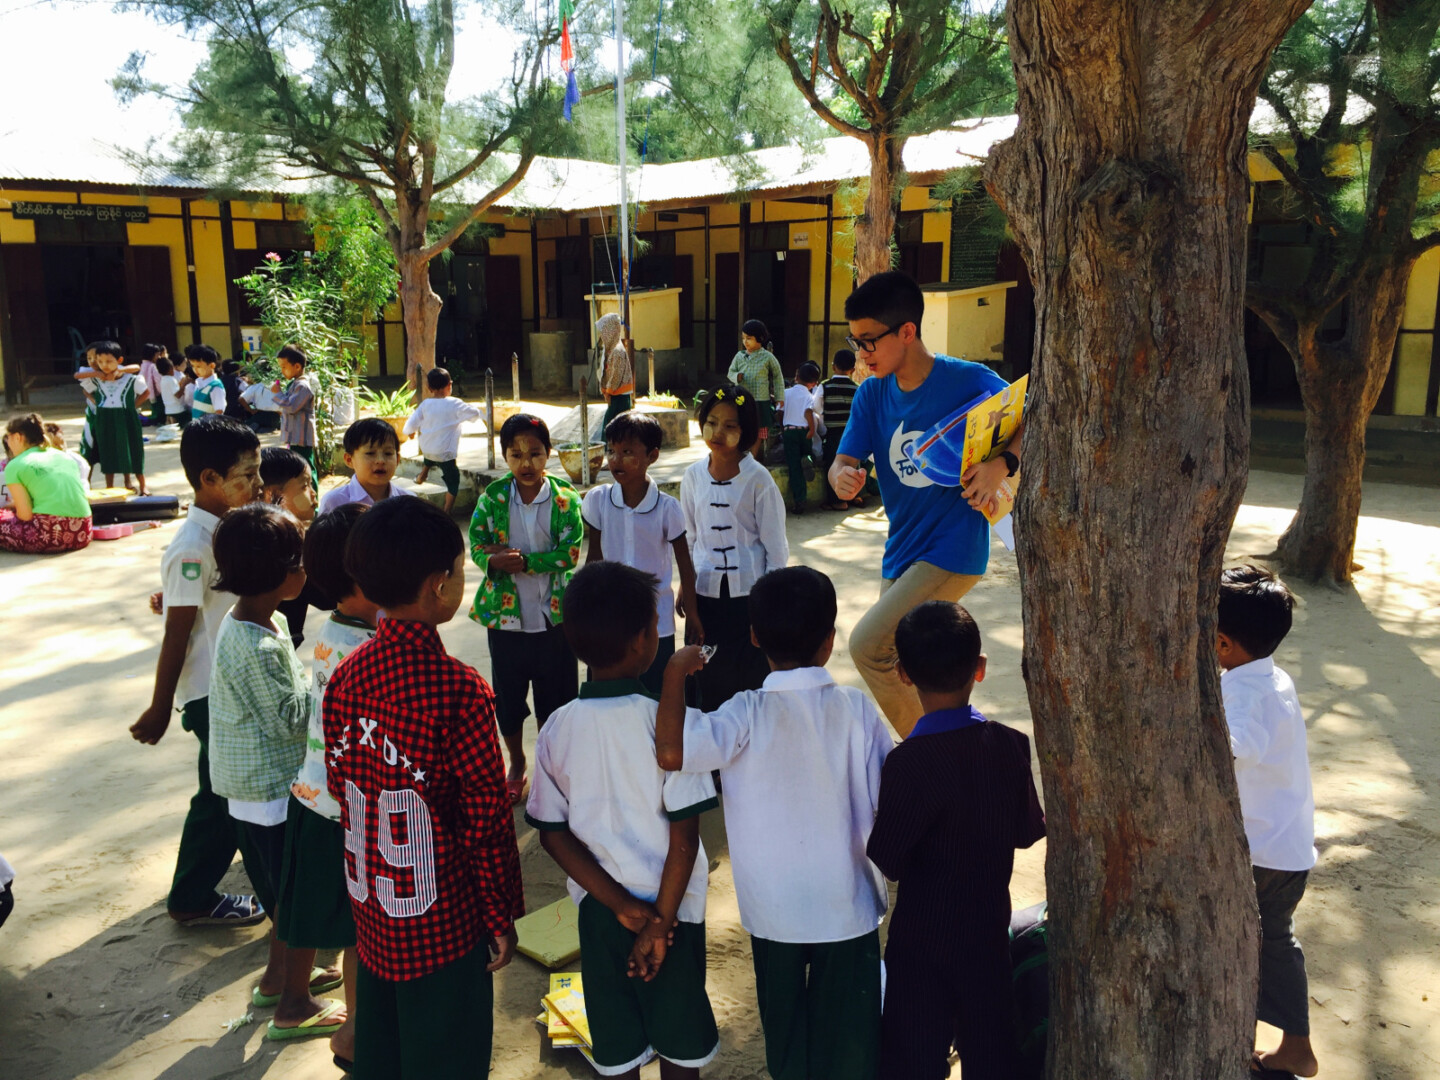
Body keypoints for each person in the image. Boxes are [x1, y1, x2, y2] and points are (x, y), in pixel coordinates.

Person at [656, 566, 891, 1080]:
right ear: (830, 641)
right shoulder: (857, 710)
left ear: (754, 635)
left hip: (773, 912)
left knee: (785, 1036)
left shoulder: (742, 714)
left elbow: (672, 752)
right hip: (846, 905)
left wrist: (674, 672)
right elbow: (887, 801)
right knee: (852, 1041)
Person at [324, 497, 524, 1080]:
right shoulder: (459, 692)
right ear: (440, 587)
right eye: (462, 570)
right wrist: (501, 914)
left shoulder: (347, 674)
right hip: (444, 926)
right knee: (447, 1057)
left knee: (384, 1050)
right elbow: (485, 821)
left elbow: (341, 784)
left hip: (374, 914)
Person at [527, 561, 720, 1079]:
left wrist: (621, 907)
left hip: (602, 912)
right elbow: (684, 837)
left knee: (616, 1043)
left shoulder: (557, 730)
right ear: (644, 640)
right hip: (674, 911)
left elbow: (552, 836)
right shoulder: (672, 731)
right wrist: (658, 921)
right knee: (681, 1041)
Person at [827, 271, 1023, 736]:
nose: (862, 354)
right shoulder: (871, 394)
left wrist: (1003, 465)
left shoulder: (969, 380)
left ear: (907, 332)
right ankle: (950, 752)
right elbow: (841, 462)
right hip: (901, 552)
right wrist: (841, 479)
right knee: (902, 667)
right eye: (855, 342)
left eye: (869, 342)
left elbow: (1033, 414)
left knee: (868, 647)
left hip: (953, 551)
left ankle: (932, 754)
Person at [866, 601, 1046, 1080]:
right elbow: (1028, 831)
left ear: (904, 674)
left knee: (911, 1060)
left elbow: (888, 859)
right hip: (986, 935)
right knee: (990, 1057)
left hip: (920, 942)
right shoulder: (1010, 743)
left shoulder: (907, 763)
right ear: (980, 668)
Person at [208, 502, 347, 1042]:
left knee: (285, 894)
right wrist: (325, 676)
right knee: (298, 901)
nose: (307, 571)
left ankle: (274, 980)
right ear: (283, 575)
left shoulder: (248, 618)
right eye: (300, 561)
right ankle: (292, 1004)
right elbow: (288, 720)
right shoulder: (259, 643)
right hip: (270, 793)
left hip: (253, 789)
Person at [130, 415, 266, 927]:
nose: (257, 484)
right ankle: (191, 896)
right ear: (209, 480)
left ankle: (200, 886)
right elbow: (177, 632)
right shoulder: (192, 546)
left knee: (226, 790)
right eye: (246, 475)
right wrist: (161, 706)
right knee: (222, 795)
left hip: (236, 681)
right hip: (215, 692)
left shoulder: (228, 528)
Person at [277, 503, 375, 1069]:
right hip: (346, 809)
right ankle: (358, 1032)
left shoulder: (332, 628)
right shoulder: (366, 648)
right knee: (361, 930)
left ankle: (291, 998)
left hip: (312, 795)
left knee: (308, 912)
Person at [1218, 566, 1318, 1080]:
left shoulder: (1246, 692)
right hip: (1286, 842)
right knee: (1271, 939)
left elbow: (1240, 747)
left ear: (1223, 643)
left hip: (1267, 852)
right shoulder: (1271, 676)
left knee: (1267, 940)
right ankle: (1286, 1043)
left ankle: (1296, 1046)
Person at [469, 413, 583, 803]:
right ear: (505, 457)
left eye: (535, 453)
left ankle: (556, 768)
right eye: (516, 455)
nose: (526, 463)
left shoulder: (566, 499)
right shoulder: (493, 497)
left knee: (559, 698)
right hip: (505, 620)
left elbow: (569, 553)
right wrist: (491, 561)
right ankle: (516, 762)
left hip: (555, 617)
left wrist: (525, 563)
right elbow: (477, 543)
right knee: (509, 698)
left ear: (548, 454)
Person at [679, 387, 787, 711]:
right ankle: (713, 756)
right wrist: (687, 588)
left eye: (730, 426)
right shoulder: (693, 476)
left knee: (748, 679)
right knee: (707, 677)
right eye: (712, 422)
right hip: (705, 598)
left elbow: (776, 550)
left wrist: (764, 608)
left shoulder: (759, 480)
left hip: (748, 600)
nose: (718, 432)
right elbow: (688, 539)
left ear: (746, 431)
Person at [583, 411, 701, 694]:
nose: (616, 460)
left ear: (652, 456)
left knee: (654, 697)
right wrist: (585, 608)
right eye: (611, 450)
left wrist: (694, 614)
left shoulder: (666, 508)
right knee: (609, 696)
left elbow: (685, 564)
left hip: (655, 623)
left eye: (627, 452)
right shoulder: (599, 501)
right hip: (608, 620)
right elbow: (593, 559)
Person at [261, 447, 327, 648]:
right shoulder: (287, 543)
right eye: (304, 485)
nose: (313, 491)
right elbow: (327, 598)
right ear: (273, 495)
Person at [0, 414, 94, 553]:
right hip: (83, 532)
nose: (7, 442)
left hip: (49, 535)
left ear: (18, 437)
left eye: (8, 437)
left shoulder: (15, 465)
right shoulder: (64, 457)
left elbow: (25, 516)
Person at [405, 366, 482, 515]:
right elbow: (474, 414)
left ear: (428, 387)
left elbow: (411, 423)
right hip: (445, 453)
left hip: (426, 450)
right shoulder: (455, 403)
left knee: (431, 452)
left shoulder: (425, 404)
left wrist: (410, 433)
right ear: (449, 385)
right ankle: (446, 512)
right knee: (453, 480)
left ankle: (423, 474)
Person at [75, 340, 149, 494]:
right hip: (105, 418)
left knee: (132, 449)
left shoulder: (129, 377)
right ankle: (110, 487)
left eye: (108, 361)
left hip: (126, 417)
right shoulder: (94, 377)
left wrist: (132, 406)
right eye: (99, 361)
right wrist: (96, 398)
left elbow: (143, 386)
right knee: (108, 450)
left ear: (119, 361)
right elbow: (79, 379)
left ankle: (141, 485)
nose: (104, 365)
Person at [317, 418, 414, 515]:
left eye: (388, 453)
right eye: (370, 453)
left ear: (397, 459)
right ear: (349, 460)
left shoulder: (409, 502)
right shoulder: (334, 503)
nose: (380, 461)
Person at [726, 320, 784, 460]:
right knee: (743, 426)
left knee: (760, 430)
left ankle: (753, 456)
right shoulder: (739, 356)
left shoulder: (768, 357)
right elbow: (730, 372)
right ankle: (741, 453)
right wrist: (736, 377)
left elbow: (777, 377)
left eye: (749, 338)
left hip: (761, 399)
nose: (745, 342)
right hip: (742, 399)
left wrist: (779, 397)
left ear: (760, 338)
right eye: (743, 338)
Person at [820, 350, 864, 511]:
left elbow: (817, 409)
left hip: (832, 434)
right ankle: (856, 496)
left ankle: (838, 501)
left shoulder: (825, 386)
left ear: (833, 366)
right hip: (851, 433)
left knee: (833, 466)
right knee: (854, 465)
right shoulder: (857, 388)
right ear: (853, 369)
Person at [270, 346, 319, 482]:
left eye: (284, 367)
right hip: (296, 438)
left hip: (302, 438)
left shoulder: (302, 386)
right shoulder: (294, 384)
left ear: (297, 366)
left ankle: (313, 498)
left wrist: (277, 393)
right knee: (299, 468)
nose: (282, 371)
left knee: (307, 467)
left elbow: (291, 407)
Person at [780, 362, 821, 516]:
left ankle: (800, 500)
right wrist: (811, 429)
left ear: (796, 376)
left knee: (794, 467)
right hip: (805, 432)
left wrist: (782, 427)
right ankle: (808, 458)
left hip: (790, 432)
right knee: (805, 453)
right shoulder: (809, 395)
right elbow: (809, 412)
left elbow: (780, 412)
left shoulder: (786, 393)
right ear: (813, 384)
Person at [597, 312, 636, 433]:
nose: (602, 335)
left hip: (619, 394)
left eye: (604, 332)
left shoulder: (617, 351)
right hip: (615, 393)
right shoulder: (610, 349)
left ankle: (608, 449)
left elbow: (616, 375)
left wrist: (608, 391)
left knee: (613, 427)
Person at [186, 344, 227, 420]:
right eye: (192, 366)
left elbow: (219, 412)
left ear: (212, 366)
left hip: (208, 429)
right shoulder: (199, 384)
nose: (195, 370)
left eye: (198, 366)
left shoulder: (216, 387)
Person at [138, 343, 168, 426]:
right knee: (160, 410)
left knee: (154, 409)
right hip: (157, 393)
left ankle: (154, 421)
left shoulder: (143, 365)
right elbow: (158, 381)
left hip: (148, 393)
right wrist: (163, 391)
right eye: (157, 355)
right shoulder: (153, 366)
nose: (158, 357)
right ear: (153, 355)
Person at [156, 355, 190, 428]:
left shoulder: (163, 379)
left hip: (169, 410)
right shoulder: (171, 379)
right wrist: (184, 384)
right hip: (177, 410)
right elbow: (178, 395)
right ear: (170, 369)